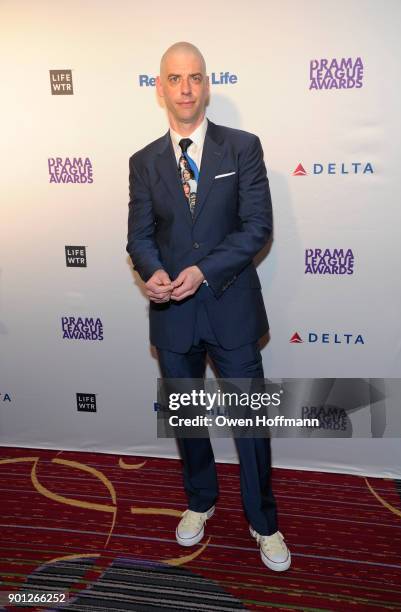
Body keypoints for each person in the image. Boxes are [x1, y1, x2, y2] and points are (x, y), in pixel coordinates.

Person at [126, 42, 291, 572]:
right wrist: (151, 271)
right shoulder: (143, 162)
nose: (186, 89)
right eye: (175, 79)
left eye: (194, 77)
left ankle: (264, 521)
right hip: (173, 314)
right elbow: (140, 235)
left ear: (207, 84)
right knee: (188, 422)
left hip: (230, 307)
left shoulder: (242, 148)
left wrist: (204, 271)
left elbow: (257, 228)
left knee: (250, 424)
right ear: (160, 87)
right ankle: (200, 500)